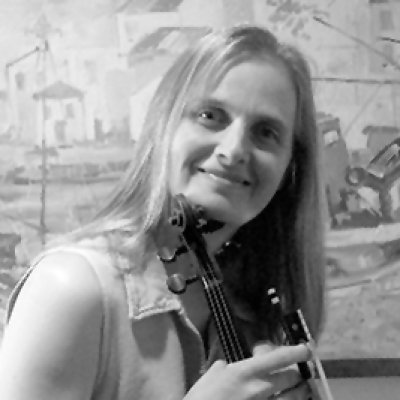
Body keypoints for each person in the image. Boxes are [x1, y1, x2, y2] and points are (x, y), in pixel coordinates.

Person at [0, 25, 326, 400]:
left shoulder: (251, 300)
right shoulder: (71, 288)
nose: (234, 150)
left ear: (290, 167)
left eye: (266, 132)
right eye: (210, 115)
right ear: (164, 128)